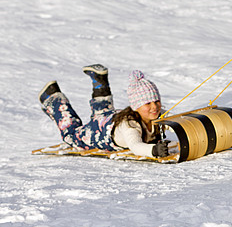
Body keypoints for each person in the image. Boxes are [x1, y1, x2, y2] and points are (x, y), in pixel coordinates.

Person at [38, 64, 171, 158]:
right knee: (72, 136)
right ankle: (53, 97)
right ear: (136, 106)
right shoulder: (130, 125)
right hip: (99, 133)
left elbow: (176, 120)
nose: (154, 107)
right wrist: (153, 150)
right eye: (147, 103)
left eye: (156, 101)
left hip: (110, 119)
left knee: (103, 110)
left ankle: (100, 80)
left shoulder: (157, 114)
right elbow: (135, 146)